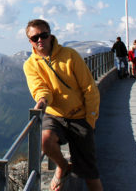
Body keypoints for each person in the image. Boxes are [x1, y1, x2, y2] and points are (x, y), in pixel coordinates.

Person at [23, 19, 103, 191]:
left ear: (50, 35)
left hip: (80, 116)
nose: (39, 40)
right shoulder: (30, 65)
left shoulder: (70, 55)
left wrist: (91, 119)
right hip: (55, 114)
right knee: (46, 141)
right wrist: (42, 100)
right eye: (34, 37)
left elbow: (89, 88)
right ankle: (62, 166)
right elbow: (40, 88)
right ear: (30, 41)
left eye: (43, 35)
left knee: (89, 173)